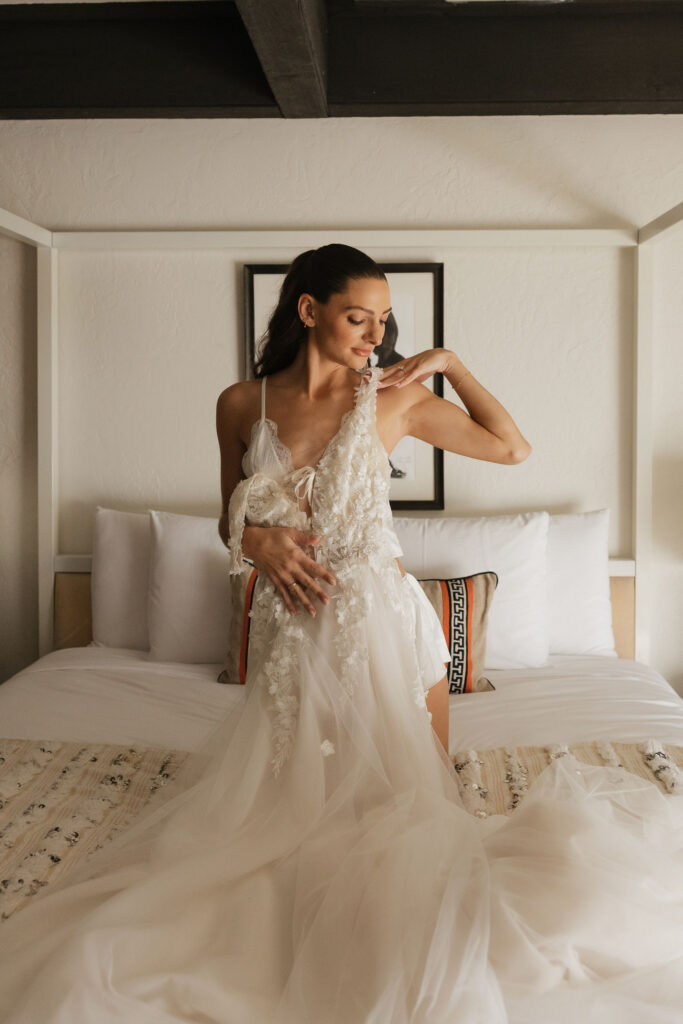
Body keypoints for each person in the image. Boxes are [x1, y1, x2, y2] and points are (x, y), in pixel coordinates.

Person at [0, 244, 682, 1023]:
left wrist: (448, 364)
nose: (374, 334)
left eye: (383, 321)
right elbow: (234, 514)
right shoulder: (238, 404)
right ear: (308, 310)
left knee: (414, 814)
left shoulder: (390, 399)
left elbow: (510, 448)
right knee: (291, 817)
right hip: (288, 626)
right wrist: (255, 542)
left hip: (383, 622)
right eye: (359, 317)